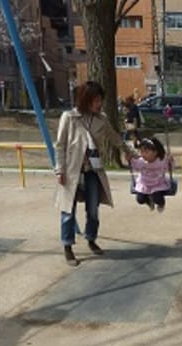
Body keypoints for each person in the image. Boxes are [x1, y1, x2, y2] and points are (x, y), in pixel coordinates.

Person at [54, 81, 136, 267]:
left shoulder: (102, 119)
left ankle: (91, 239)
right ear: (86, 99)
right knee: (68, 211)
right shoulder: (69, 117)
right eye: (95, 100)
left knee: (93, 210)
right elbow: (60, 145)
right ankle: (68, 246)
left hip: (93, 170)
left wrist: (130, 153)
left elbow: (115, 138)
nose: (99, 103)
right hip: (72, 170)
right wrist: (59, 169)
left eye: (100, 100)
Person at [129, 136, 173, 212]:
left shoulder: (161, 161)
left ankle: (161, 204)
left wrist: (170, 162)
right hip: (144, 184)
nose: (143, 154)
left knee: (157, 197)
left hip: (158, 184)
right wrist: (130, 160)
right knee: (140, 200)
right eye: (141, 152)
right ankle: (149, 202)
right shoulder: (141, 161)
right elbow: (136, 167)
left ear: (155, 152)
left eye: (146, 152)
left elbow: (168, 168)